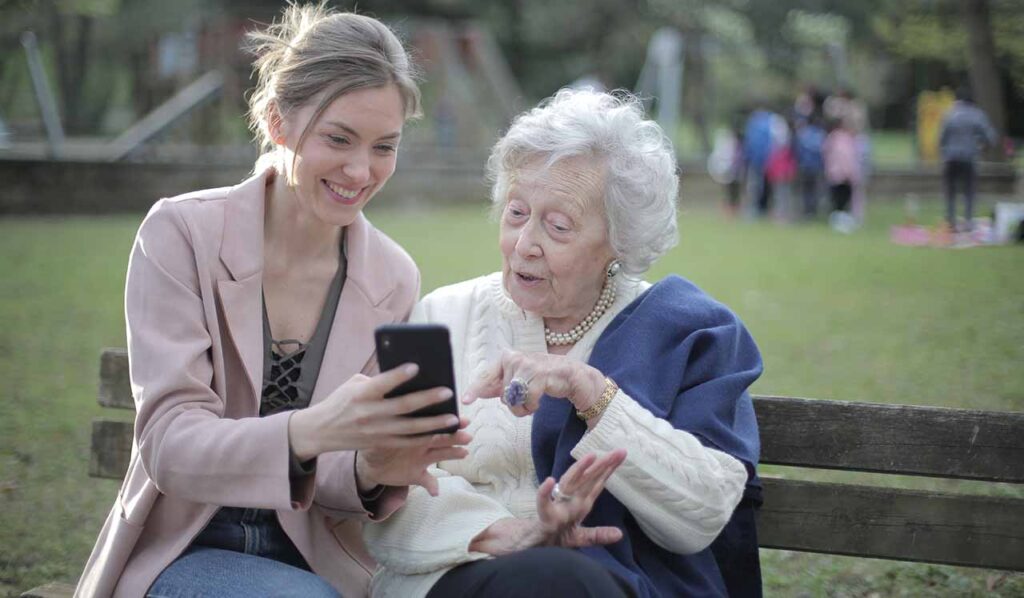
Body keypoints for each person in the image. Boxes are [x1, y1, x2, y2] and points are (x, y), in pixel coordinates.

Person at [76, 5, 471, 597]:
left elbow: (336, 471)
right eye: (338, 138)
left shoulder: (392, 275)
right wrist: (311, 429)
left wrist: (370, 467)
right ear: (276, 121)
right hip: (185, 549)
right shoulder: (181, 234)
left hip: (321, 563)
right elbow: (169, 444)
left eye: (384, 146)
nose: (361, 171)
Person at [363, 89, 764, 597]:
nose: (524, 243)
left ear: (620, 241)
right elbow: (388, 485)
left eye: (557, 226)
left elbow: (704, 513)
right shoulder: (442, 316)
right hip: (454, 577)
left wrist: (593, 394)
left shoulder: (688, 333)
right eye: (516, 213)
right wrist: (505, 533)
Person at [939, 86, 998, 231]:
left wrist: (945, 151)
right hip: (968, 157)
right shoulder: (977, 114)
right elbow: (991, 138)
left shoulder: (949, 113)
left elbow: (942, 139)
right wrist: (982, 146)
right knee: (969, 191)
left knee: (951, 191)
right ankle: (968, 222)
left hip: (951, 158)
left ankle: (951, 222)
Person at [823, 117, 861, 233]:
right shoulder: (842, 139)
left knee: (839, 199)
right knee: (841, 199)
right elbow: (846, 157)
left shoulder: (832, 138)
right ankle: (840, 222)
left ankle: (839, 220)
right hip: (842, 174)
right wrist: (848, 172)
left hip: (836, 174)